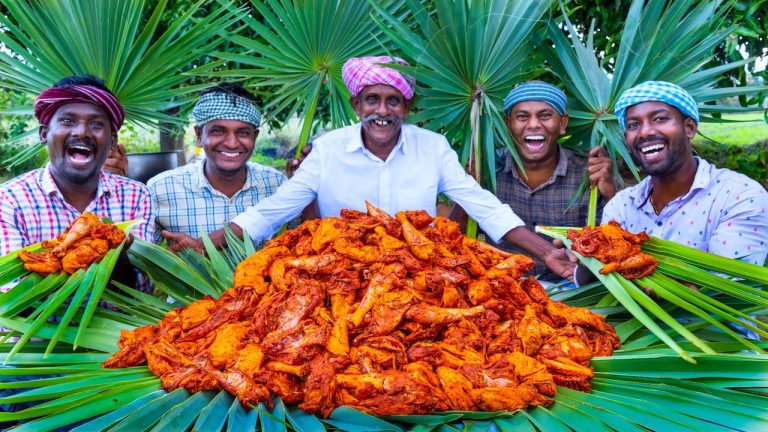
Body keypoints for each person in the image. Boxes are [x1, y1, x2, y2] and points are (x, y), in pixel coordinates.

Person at [165, 56, 576, 279]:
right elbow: (279, 207)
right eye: (372, 100)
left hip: (419, 275)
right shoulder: (327, 149)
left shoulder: (431, 147)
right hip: (342, 276)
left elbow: (479, 202)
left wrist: (545, 252)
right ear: (355, 105)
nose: (383, 110)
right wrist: (209, 243)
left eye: (393, 100)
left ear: (407, 108)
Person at [456, 81, 616, 282]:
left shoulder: (590, 172)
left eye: (545, 115)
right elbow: (455, 235)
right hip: (502, 287)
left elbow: (618, 240)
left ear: (563, 123)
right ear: (508, 125)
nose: (533, 124)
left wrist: (611, 191)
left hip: (572, 289)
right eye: (522, 117)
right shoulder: (487, 169)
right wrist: (467, 187)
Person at [601, 81, 768, 265]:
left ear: (689, 127)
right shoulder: (621, 206)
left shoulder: (740, 196)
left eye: (660, 119)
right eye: (633, 125)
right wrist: (582, 267)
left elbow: (728, 287)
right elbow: (603, 268)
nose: (645, 132)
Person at [0, 75, 153, 256]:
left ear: (112, 141)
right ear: (44, 133)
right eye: (68, 121)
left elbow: (142, 281)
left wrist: (121, 251)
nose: (81, 132)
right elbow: (11, 282)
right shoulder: (10, 200)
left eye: (96, 124)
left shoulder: (136, 196)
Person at [148, 83, 289, 245]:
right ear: (199, 135)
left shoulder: (277, 185)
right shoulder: (161, 189)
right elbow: (142, 261)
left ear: (254, 138)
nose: (232, 143)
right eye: (218, 131)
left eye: (243, 133)